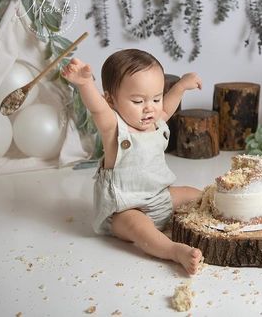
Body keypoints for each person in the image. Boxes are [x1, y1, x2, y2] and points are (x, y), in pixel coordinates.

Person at [61, 48, 204, 274]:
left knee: (196, 194)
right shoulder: (114, 128)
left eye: (155, 98)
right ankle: (174, 250)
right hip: (124, 209)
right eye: (138, 101)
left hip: (159, 197)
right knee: (139, 228)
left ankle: (230, 209)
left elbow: (167, 106)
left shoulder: (155, 120)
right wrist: (84, 84)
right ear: (111, 99)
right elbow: (97, 110)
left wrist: (181, 86)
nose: (150, 107)